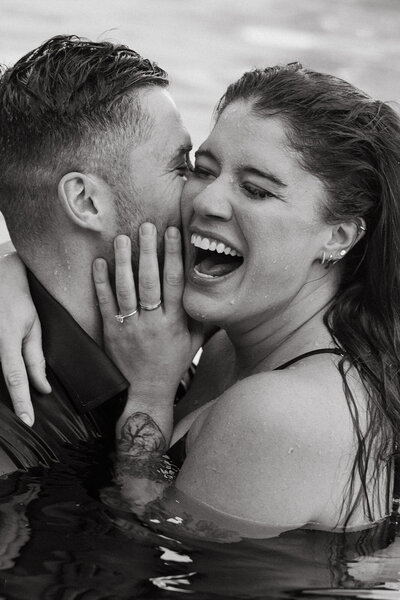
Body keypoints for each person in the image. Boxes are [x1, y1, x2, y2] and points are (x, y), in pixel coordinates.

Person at [2, 62, 400, 535]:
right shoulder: (233, 337)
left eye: (256, 190)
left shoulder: (279, 413)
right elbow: (61, 235)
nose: (207, 201)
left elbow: (153, 555)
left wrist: (150, 393)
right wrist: (14, 262)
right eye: (201, 169)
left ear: (336, 236)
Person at [0, 35, 197, 473]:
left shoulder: (168, 325)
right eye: (182, 167)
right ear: (87, 202)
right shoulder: (12, 444)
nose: (208, 197)